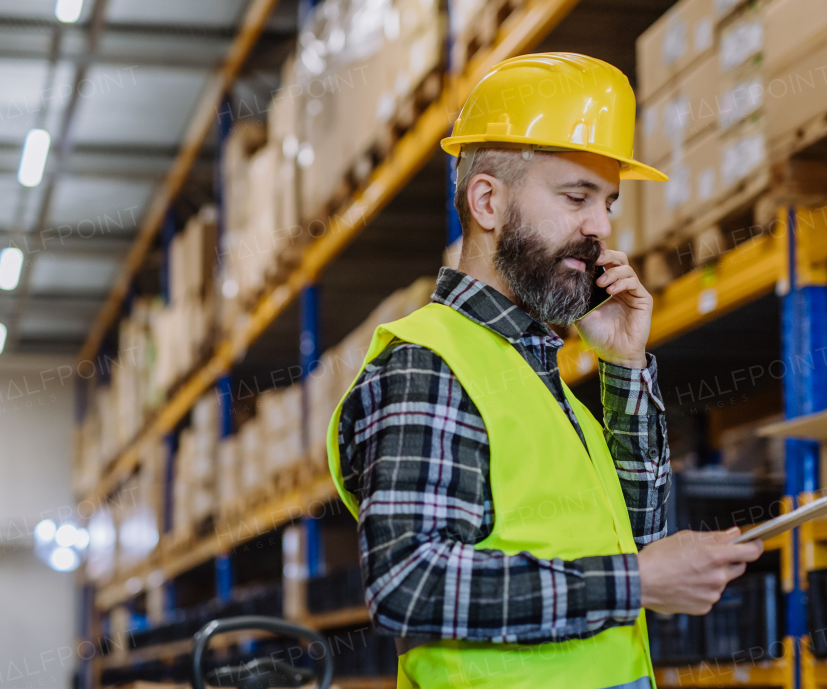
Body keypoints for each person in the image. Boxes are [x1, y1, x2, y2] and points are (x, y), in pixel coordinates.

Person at [326, 53, 764, 689]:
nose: (602, 228)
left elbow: (635, 546)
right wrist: (635, 582)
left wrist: (624, 365)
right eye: (575, 197)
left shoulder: (544, 385)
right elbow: (407, 584)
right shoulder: (429, 365)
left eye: (609, 203)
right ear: (488, 202)